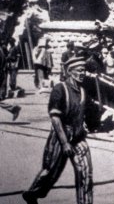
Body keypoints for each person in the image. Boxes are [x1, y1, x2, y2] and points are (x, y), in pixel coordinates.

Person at [22, 56, 93, 204]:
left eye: (84, 70)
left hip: (78, 137)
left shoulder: (82, 90)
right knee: (50, 172)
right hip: (61, 136)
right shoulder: (60, 89)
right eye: (80, 70)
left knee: (85, 172)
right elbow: (55, 118)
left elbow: (82, 111)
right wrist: (65, 143)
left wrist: (84, 124)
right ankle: (32, 194)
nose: (83, 73)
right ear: (70, 72)